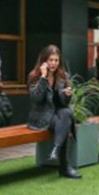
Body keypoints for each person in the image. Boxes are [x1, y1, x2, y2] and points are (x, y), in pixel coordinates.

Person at [28, 45, 81, 179]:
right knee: (65, 120)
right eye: (50, 60)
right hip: (41, 116)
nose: (53, 64)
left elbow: (64, 103)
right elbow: (36, 99)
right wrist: (44, 77)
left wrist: (67, 95)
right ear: (44, 61)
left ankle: (55, 150)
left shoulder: (62, 76)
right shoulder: (34, 76)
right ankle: (64, 166)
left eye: (56, 60)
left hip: (58, 115)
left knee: (66, 113)